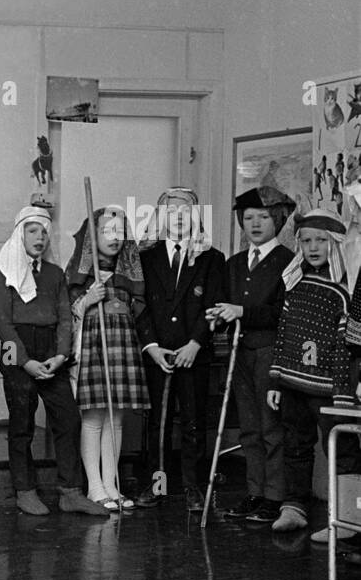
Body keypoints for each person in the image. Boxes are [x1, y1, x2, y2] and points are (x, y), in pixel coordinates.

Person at [0, 206, 108, 517]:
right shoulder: (4, 272)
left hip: (51, 352)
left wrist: (60, 355)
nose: (39, 237)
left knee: (68, 419)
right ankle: (25, 491)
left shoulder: (56, 274)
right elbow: (3, 325)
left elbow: (65, 318)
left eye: (43, 231)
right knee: (22, 423)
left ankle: (70, 491)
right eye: (32, 231)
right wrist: (26, 363)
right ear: (20, 235)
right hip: (15, 351)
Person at [207, 187, 296, 523]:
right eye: (248, 218)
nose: (255, 224)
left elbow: (282, 313)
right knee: (248, 428)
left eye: (263, 217)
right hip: (239, 354)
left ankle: (275, 498)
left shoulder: (288, 261)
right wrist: (218, 317)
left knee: (272, 428)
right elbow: (229, 307)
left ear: (277, 219)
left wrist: (241, 310)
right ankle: (255, 493)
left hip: (271, 352)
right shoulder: (232, 264)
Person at [134, 188, 226, 511]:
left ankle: (193, 488)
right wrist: (151, 346)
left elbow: (213, 304)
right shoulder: (146, 257)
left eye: (185, 210)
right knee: (157, 423)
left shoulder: (212, 258)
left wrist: (196, 343)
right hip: (158, 354)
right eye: (170, 211)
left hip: (193, 354)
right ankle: (156, 485)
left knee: (193, 421)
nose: (178, 216)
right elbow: (140, 304)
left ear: (195, 215)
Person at [267, 209, 358, 533]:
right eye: (306, 240)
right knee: (295, 444)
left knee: (341, 449)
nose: (313, 247)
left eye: (321, 240)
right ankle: (294, 507)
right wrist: (276, 378)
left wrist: (344, 392)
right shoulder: (296, 284)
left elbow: (348, 346)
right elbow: (284, 332)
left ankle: (347, 517)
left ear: (334, 243)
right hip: (293, 383)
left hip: (329, 389)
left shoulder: (345, 292)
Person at [66, 206, 150, 510]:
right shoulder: (81, 273)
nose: (114, 238)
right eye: (106, 231)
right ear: (93, 236)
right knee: (93, 418)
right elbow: (67, 311)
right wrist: (88, 300)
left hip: (121, 347)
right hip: (93, 347)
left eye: (119, 232)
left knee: (116, 419)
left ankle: (112, 485)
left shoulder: (129, 273)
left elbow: (138, 310)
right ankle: (94, 487)